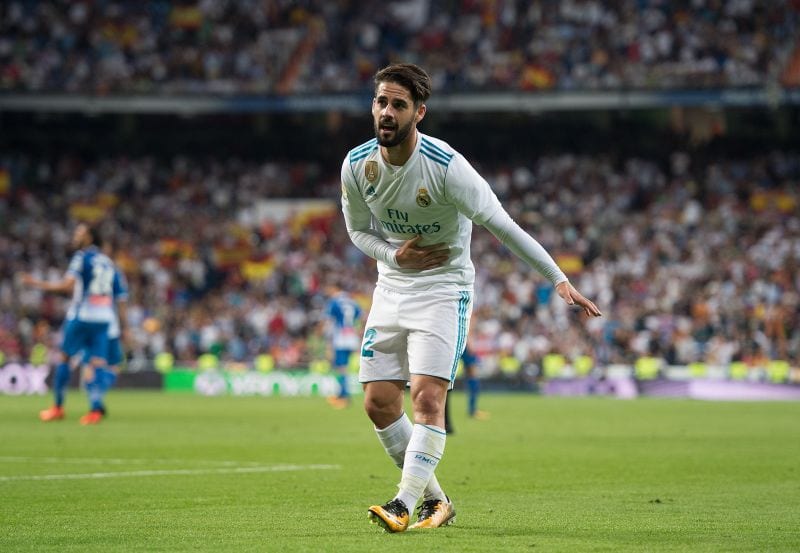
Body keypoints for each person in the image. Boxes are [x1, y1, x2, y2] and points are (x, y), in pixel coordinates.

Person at [340, 63, 602, 533]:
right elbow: (358, 230)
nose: (387, 112)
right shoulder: (357, 165)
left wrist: (558, 278)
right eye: (381, 102)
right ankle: (437, 502)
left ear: (419, 113)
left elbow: (503, 226)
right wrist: (394, 255)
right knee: (378, 403)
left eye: (398, 104)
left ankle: (402, 503)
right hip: (392, 287)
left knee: (427, 397)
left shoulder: (446, 168)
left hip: (444, 289)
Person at [21, 222, 122, 425]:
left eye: (80, 233)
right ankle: (95, 410)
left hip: (83, 315)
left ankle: (58, 407)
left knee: (65, 358)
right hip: (104, 318)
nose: (75, 235)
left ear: (89, 237)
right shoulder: (108, 261)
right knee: (98, 362)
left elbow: (67, 286)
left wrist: (36, 284)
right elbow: (118, 294)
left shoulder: (81, 257)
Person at [80, 240, 129, 424]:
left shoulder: (90, 267)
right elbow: (122, 300)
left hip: (94, 324)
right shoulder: (114, 271)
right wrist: (125, 327)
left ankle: (96, 402)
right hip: (108, 325)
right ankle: (96, 404)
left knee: (97, 367)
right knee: (101, 366)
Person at [324, 282, 363, 409]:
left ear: (334, 288)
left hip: (340, 338)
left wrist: (328, 341)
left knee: (341, 368)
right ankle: (342, 394)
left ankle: (343, 397)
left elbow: (330, 322)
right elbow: (361, 319)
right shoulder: (353, 302)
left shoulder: (334, 302)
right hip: (352, 337)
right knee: (345, 367)